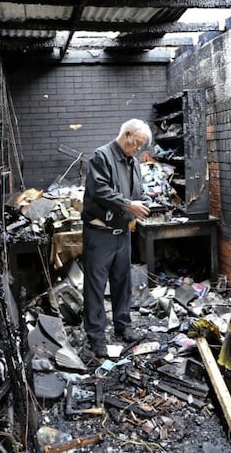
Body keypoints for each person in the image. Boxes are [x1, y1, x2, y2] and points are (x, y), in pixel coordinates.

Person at [81, 118, 152, 357]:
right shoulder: (101, 156)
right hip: (99, 233)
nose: (139, 148)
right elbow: (99, 190)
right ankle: (96, 337)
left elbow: (138, 191)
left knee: (123, 283)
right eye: (138, 143)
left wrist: (144, 202)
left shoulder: (133, 162)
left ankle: (123, 326)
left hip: (122, 232)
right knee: (96, 287)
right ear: (128, 134)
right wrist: (129, 205)